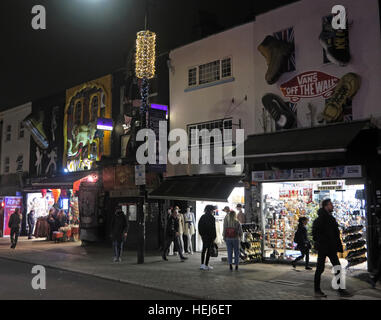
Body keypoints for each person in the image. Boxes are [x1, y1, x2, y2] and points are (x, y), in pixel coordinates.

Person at [312, 199, 351, 297]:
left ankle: (341, 290)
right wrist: (324, 241)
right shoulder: (320, 219)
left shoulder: (330, 218)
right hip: (324, 247)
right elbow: (315, 234)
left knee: (337, 267)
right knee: (320, 269)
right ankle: (317, 290)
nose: (332, 206)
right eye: (331, 205)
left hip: (330, 247)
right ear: (326, 206)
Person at [198, 205, 217, 270]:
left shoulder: (202, 217)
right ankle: (206, 264)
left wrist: (202, 234)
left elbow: (199, 226)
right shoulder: (212, 218)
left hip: (204, 236)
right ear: (211, 210)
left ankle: (202, 264)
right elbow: (213, 228)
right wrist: (214, 236)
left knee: (203, 249)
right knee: (209, 250)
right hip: (210, 236)